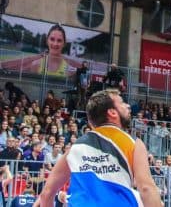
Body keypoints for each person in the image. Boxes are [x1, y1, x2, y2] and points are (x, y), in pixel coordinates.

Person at [32, 89, 161, 207]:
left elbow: (46, 194)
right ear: (112, 112)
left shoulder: (75, 148)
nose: (127, 106)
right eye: (122, 103)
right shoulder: (133, 143)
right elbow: (146, 189)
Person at [0, 26, 82, 77]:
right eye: (52, 39)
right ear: (47, 40)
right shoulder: (36, 64)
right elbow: (5, 66)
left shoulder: (70, 69)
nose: (55, 43)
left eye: (59, 40)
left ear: (64, 43)